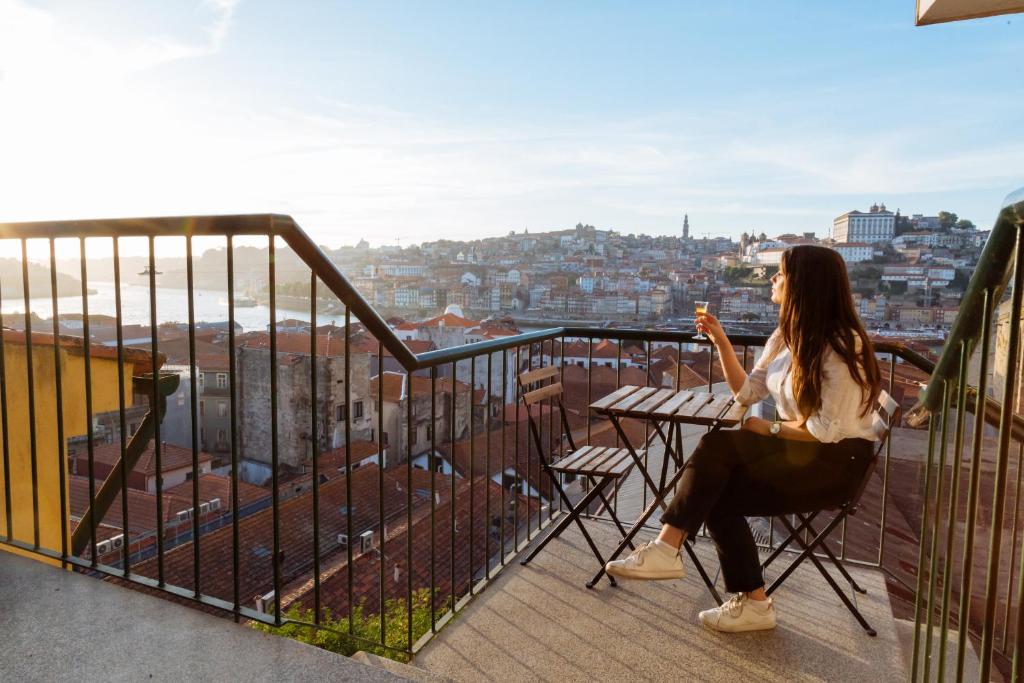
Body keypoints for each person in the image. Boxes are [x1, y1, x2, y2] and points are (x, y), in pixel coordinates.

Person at [605, 245, 882, 633]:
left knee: (720, 446)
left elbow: (825, 431)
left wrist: (767, 428)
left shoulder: (841, 345)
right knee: (717, 490)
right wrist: (720, 340)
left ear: (804, 285)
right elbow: (746, 394)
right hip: (803, 451)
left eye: (781, 274)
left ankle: (667, 548)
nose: (772, 279)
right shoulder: (787, 335)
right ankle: (754, 604)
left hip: (834, 463)